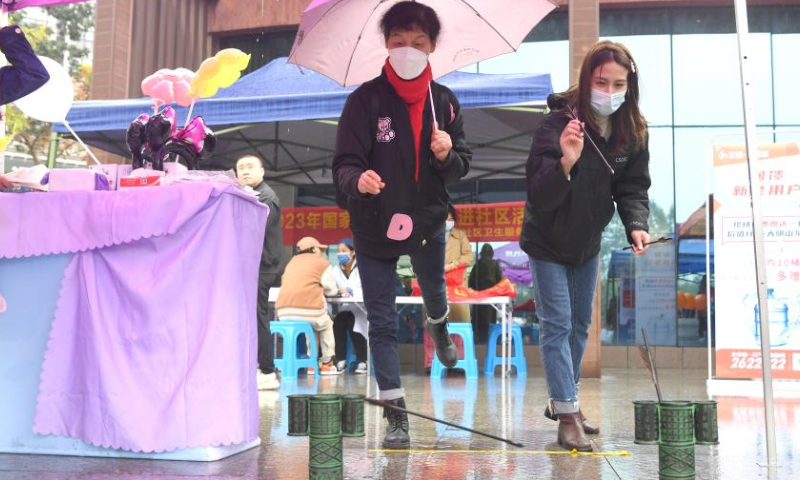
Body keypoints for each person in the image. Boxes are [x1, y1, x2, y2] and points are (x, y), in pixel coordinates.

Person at [332, 1, 472, 448]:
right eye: (399, 42)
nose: (408, 50)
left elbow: (462, 167)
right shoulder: (364, 101)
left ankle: (438, 323)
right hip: (375, 225)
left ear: (432, 47)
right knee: (382, 319)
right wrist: (359, 179)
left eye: (418, 43)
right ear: (386, 46)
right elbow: (343, 165)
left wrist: (447, 155)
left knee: (434, 289)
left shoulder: (444, 102)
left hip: (429, 222)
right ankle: (397, 416)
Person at [520, 40, 651, 452]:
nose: (609, 92)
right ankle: (567, 413)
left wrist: (636, 224)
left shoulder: (632, 131)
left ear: (629, 86)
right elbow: (539, 196)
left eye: (619, 84)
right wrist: (565, 161)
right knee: (557, 325)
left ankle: (565, 401)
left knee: (580, 327)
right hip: (547, 242)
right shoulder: (557, 124)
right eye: (601, 82)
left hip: (586, 243)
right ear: (586, 79)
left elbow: (632, 186)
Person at [236, 155, 283, 390]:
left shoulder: (265, 197)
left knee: (258, 316)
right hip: (252, 266)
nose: (245, 172)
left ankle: (267, 370)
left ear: (262, 172)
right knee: (251, 317)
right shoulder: (250, 197)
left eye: (250, 167)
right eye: (241, 168)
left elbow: (252, 232)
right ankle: (257, 366)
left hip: (261, 266)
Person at [275, 237, 341, 375]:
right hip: (308, 311)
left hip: (283, 312)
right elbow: (332, 289)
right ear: (314, 249)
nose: (322, 253)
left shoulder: (291, 263)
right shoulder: (321, 263)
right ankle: (327, 363)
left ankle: (312, 363)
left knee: (313, 326)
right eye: (320, 250)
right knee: (325, 324)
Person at [423, 204, 474, 370]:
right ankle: (431, 363)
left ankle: (459, 362)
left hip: (457, 285)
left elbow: (469, 256)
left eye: (452, 219)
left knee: (459, 322)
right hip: (434, 284)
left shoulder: (460, 235)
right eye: (446, 219)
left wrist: (453, 265)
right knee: (434, 323)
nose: (449, 222)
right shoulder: (429, 234)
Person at [332, 238, 369, 374]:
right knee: (338, 324)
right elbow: (331, 287)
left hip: (360, 308)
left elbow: (366, 288)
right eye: (338, 251)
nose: (340, 254)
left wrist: (351, 291)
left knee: (354, 324)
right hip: (342, 308)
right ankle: (340, 360)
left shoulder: (362, 268)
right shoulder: (335, 270)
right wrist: (338, 290)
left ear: (352, 252)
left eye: (344, 251)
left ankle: (362, 360)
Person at [469, 243, 504, 343]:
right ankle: (489, 343)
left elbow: (470, 282)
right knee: (490, 324)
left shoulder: (477, 265)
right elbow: (500, 281)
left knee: (478, 324)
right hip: (490, 299)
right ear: (491, 253)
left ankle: (478, 343)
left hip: (478, 299)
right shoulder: (494, 264)